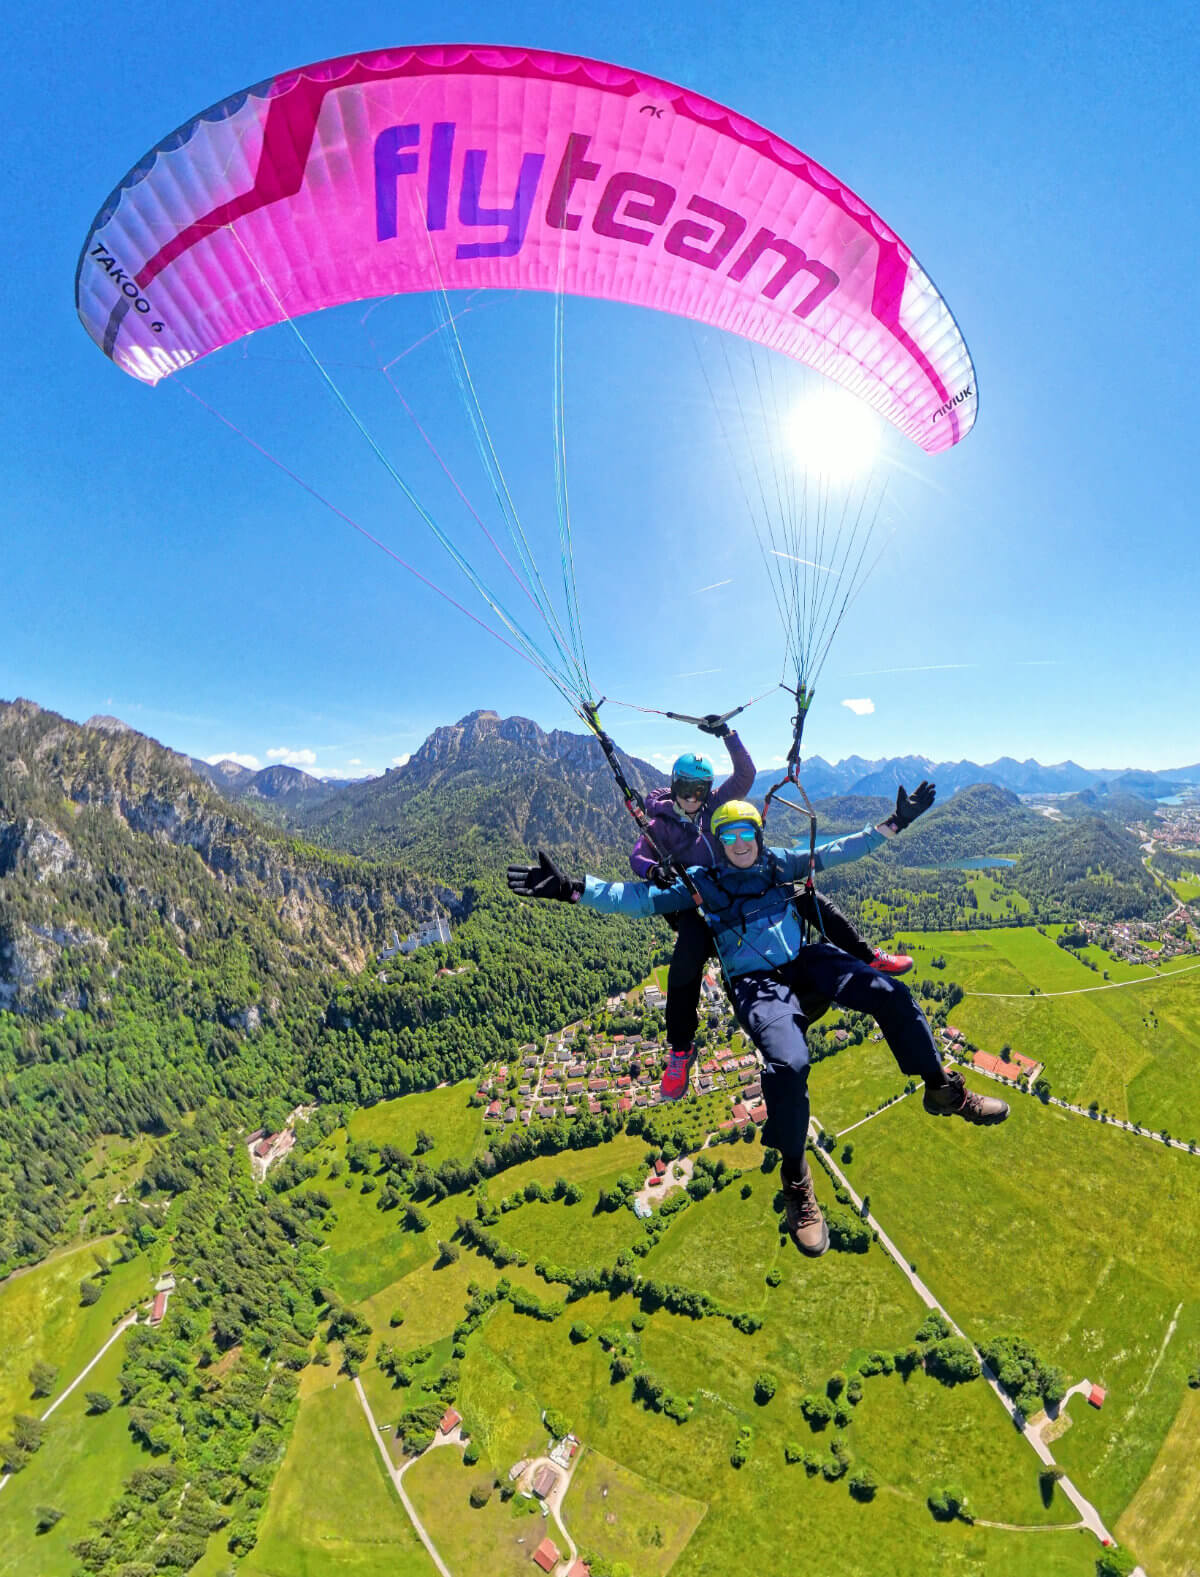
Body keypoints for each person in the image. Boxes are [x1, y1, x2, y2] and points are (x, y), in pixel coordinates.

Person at [507, 794, 1008, 1259]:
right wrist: (574, 889)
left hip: (806, 962)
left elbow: (839, 850)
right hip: (756, 985)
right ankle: (796, 1178)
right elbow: (633, 898)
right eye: (728, 837)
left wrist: (895, 824)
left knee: (890, 996)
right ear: (718, 844)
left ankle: (942, 1090)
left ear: (760, 836)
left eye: (747, 833)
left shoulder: (778, 864)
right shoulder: (701, 884)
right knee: (789, 1065)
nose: (740, 844)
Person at [630, 714, 921, 1104]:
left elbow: (745, 774)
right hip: (703, 904)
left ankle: (868, 957)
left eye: (700, 790)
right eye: (686, 789)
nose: (693, 799)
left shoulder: (716, 805)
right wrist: (655, 871)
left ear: (708, 790)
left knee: (805, 896)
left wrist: (727, 735)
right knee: (685, 960)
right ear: (674, 786)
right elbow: (638, 857)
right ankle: (680, 1049)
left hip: (748, 885)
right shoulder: (659, 824)